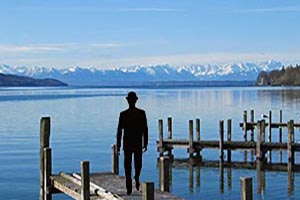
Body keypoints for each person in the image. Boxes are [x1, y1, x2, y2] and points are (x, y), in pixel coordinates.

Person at [116, 91, 148, 195]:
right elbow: (119, 131)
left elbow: (145, 129)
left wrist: (118, 146)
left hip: (130, 144)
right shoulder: (138, 113)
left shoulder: (126, 114)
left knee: (131, 166)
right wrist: (145, 143)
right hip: (133, 144)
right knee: (132, 165)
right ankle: (130, 185)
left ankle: (134, 180)